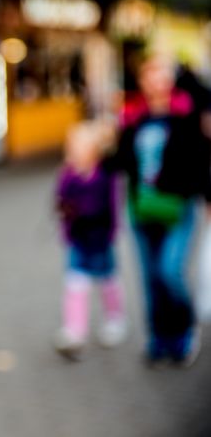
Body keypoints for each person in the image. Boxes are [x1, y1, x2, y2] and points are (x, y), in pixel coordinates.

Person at [114, 52, 211, 367]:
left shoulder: (188, 113)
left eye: (161, 74)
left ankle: (185, 330)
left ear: (170, 79)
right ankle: (159, 338)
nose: (156, 81)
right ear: (142, 80)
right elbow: (122, 161)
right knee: (150, 278)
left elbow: (201, 161)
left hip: (177, 208)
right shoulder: (133, 116)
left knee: (171, 271)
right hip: (141, 209)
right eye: (150, 74)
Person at [52, 120, 126, 360]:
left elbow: (113, 205)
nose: (75, 153)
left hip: (101, 238)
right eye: (72, 147)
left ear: (93, 150)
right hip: (78, 238)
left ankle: (114, 319)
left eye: (81, 148)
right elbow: (60, 200)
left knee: (108, 280)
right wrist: (64, 215)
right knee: (76, 283)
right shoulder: (68, 175)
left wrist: (113, 231)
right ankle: (75, 330)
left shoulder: (105, 174)